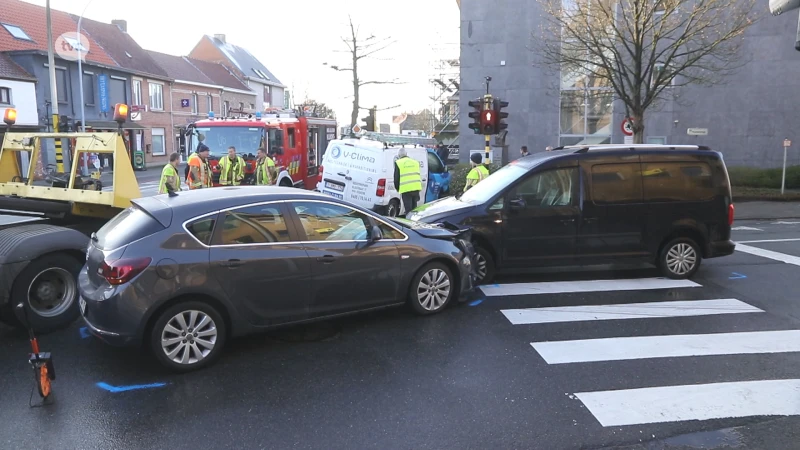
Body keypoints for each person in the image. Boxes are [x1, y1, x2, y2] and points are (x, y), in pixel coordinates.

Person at [393, 148, 423, 215]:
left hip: (406, 189)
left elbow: (396, 178)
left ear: (399, 156)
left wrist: (397, 188)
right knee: (414, 209)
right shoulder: (415, 162)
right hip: (416, 188)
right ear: (406, 154)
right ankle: (414, 222)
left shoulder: (398, 163)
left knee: (408, 210)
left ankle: (409, 223)